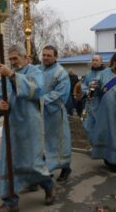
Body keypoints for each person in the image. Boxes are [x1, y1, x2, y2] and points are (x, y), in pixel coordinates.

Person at [0, 45, 55, 212]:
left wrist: (12, 75)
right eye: (10, 59)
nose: (12, 62)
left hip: (30, 125)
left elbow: (37, 89)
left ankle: (48, 185)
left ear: (25, 57)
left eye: (15, 59)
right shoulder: (5, 76)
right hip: (11, 126)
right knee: (9, 162)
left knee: (32, 162)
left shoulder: (35, 71)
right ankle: (10, 201)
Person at [38, 45, 72, 182]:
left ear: (55, 57)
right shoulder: (37, 69)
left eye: (49, 55)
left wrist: (40, 100)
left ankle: (66, 168)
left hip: (55, 114)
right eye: (44, 55)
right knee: (42, 143)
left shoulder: (61, 73)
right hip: (39, 114)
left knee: (59, 142)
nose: (45, 57)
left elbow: (61, 94)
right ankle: (45, 170)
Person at [80, 54, 105, 142]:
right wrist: (86, 90)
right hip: (88, 102)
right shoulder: (88, 73)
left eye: (96, 60)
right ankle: (92, 144)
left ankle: (99, 147)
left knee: (99, 125)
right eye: (93, 60)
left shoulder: (104, 73)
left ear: (101, 62)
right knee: (85, 122)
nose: (94, 62)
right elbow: (83, 84)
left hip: (100, 103)